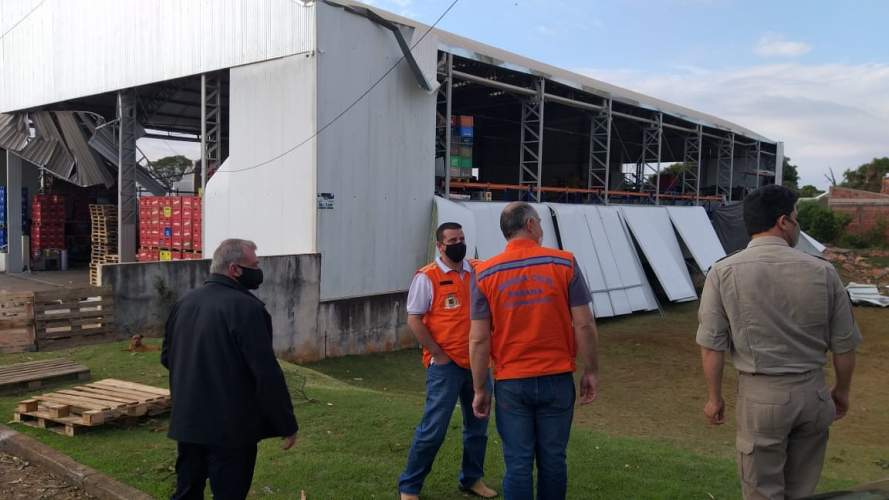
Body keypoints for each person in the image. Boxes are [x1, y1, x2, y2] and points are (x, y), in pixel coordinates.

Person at [697, 185, 861, 500]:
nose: (798, 225)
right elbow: (844, 344)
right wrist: (841, 390)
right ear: (783, 221)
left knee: (762, 491)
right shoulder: (823, 271)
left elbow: (711, 344)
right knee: (802, 490)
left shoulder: (723, 271)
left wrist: (714, 397)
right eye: (796, 218)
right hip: (813, 392)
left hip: (762, 397)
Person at [469, 202, 600, 500]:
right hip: (556, 378)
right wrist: (591, 370)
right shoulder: (564, 263)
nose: (541, 228)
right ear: (530, 225)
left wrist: (480, 388)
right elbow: (584, 324)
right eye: (539, 222)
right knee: (554, 460)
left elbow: (478, 340)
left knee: (517, 463)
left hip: (512, 382)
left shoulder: (485, 274)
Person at [162, 238, 299, 500]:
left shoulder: (185, 302)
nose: (259, 270)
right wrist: (287, 424)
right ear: (235, 269)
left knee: (187, 490)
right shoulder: (247, 308)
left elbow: (168, 357)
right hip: (232, 428)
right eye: (255, 265)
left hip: (188, 421)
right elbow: (265, 373)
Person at [398, 222, 497, 500]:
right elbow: (414, 320)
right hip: (446, 366)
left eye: (462, 238)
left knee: (478, 427)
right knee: (433, 428)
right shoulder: (426, 277)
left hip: (478, 363)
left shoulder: (477, 270)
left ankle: (472, 479)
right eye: (453, 240)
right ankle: (409, 487)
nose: (459, 244)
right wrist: (438, 354)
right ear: (440, 246)